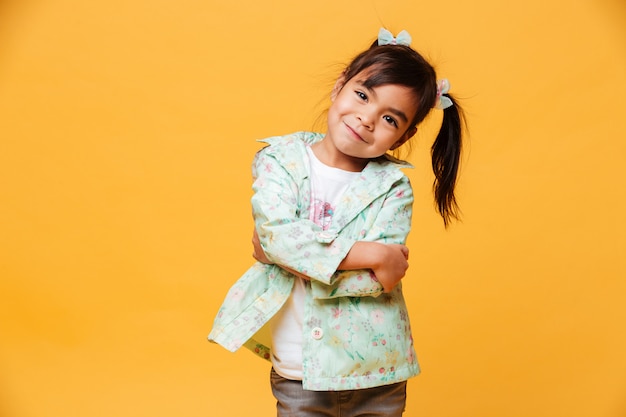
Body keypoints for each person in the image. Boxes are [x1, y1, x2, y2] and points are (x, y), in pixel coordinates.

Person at [208, 27, 466, 417]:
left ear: (403, 136)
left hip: (377, 373)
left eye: (390, 119)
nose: (366, 119)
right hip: (299, 372)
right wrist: (371, 254)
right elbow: (278, 240)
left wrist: (287, 254)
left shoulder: (393, 186)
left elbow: (375, 280)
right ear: (340, 85)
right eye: (362, 96)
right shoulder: (280, 160)